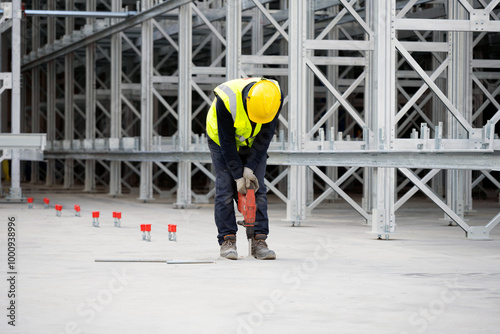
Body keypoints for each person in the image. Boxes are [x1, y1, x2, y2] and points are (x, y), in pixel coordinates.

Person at [206, 77, 282, 260]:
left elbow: (265, 136)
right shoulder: (226, 99)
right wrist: (238, 176)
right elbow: (227, 143)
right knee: (225, 190)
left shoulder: (273, 98)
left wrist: (250, 167)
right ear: (247, 101)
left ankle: (259, 240)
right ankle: (227, 239)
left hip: (253, 142)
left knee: (258, 190)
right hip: (221, 141)